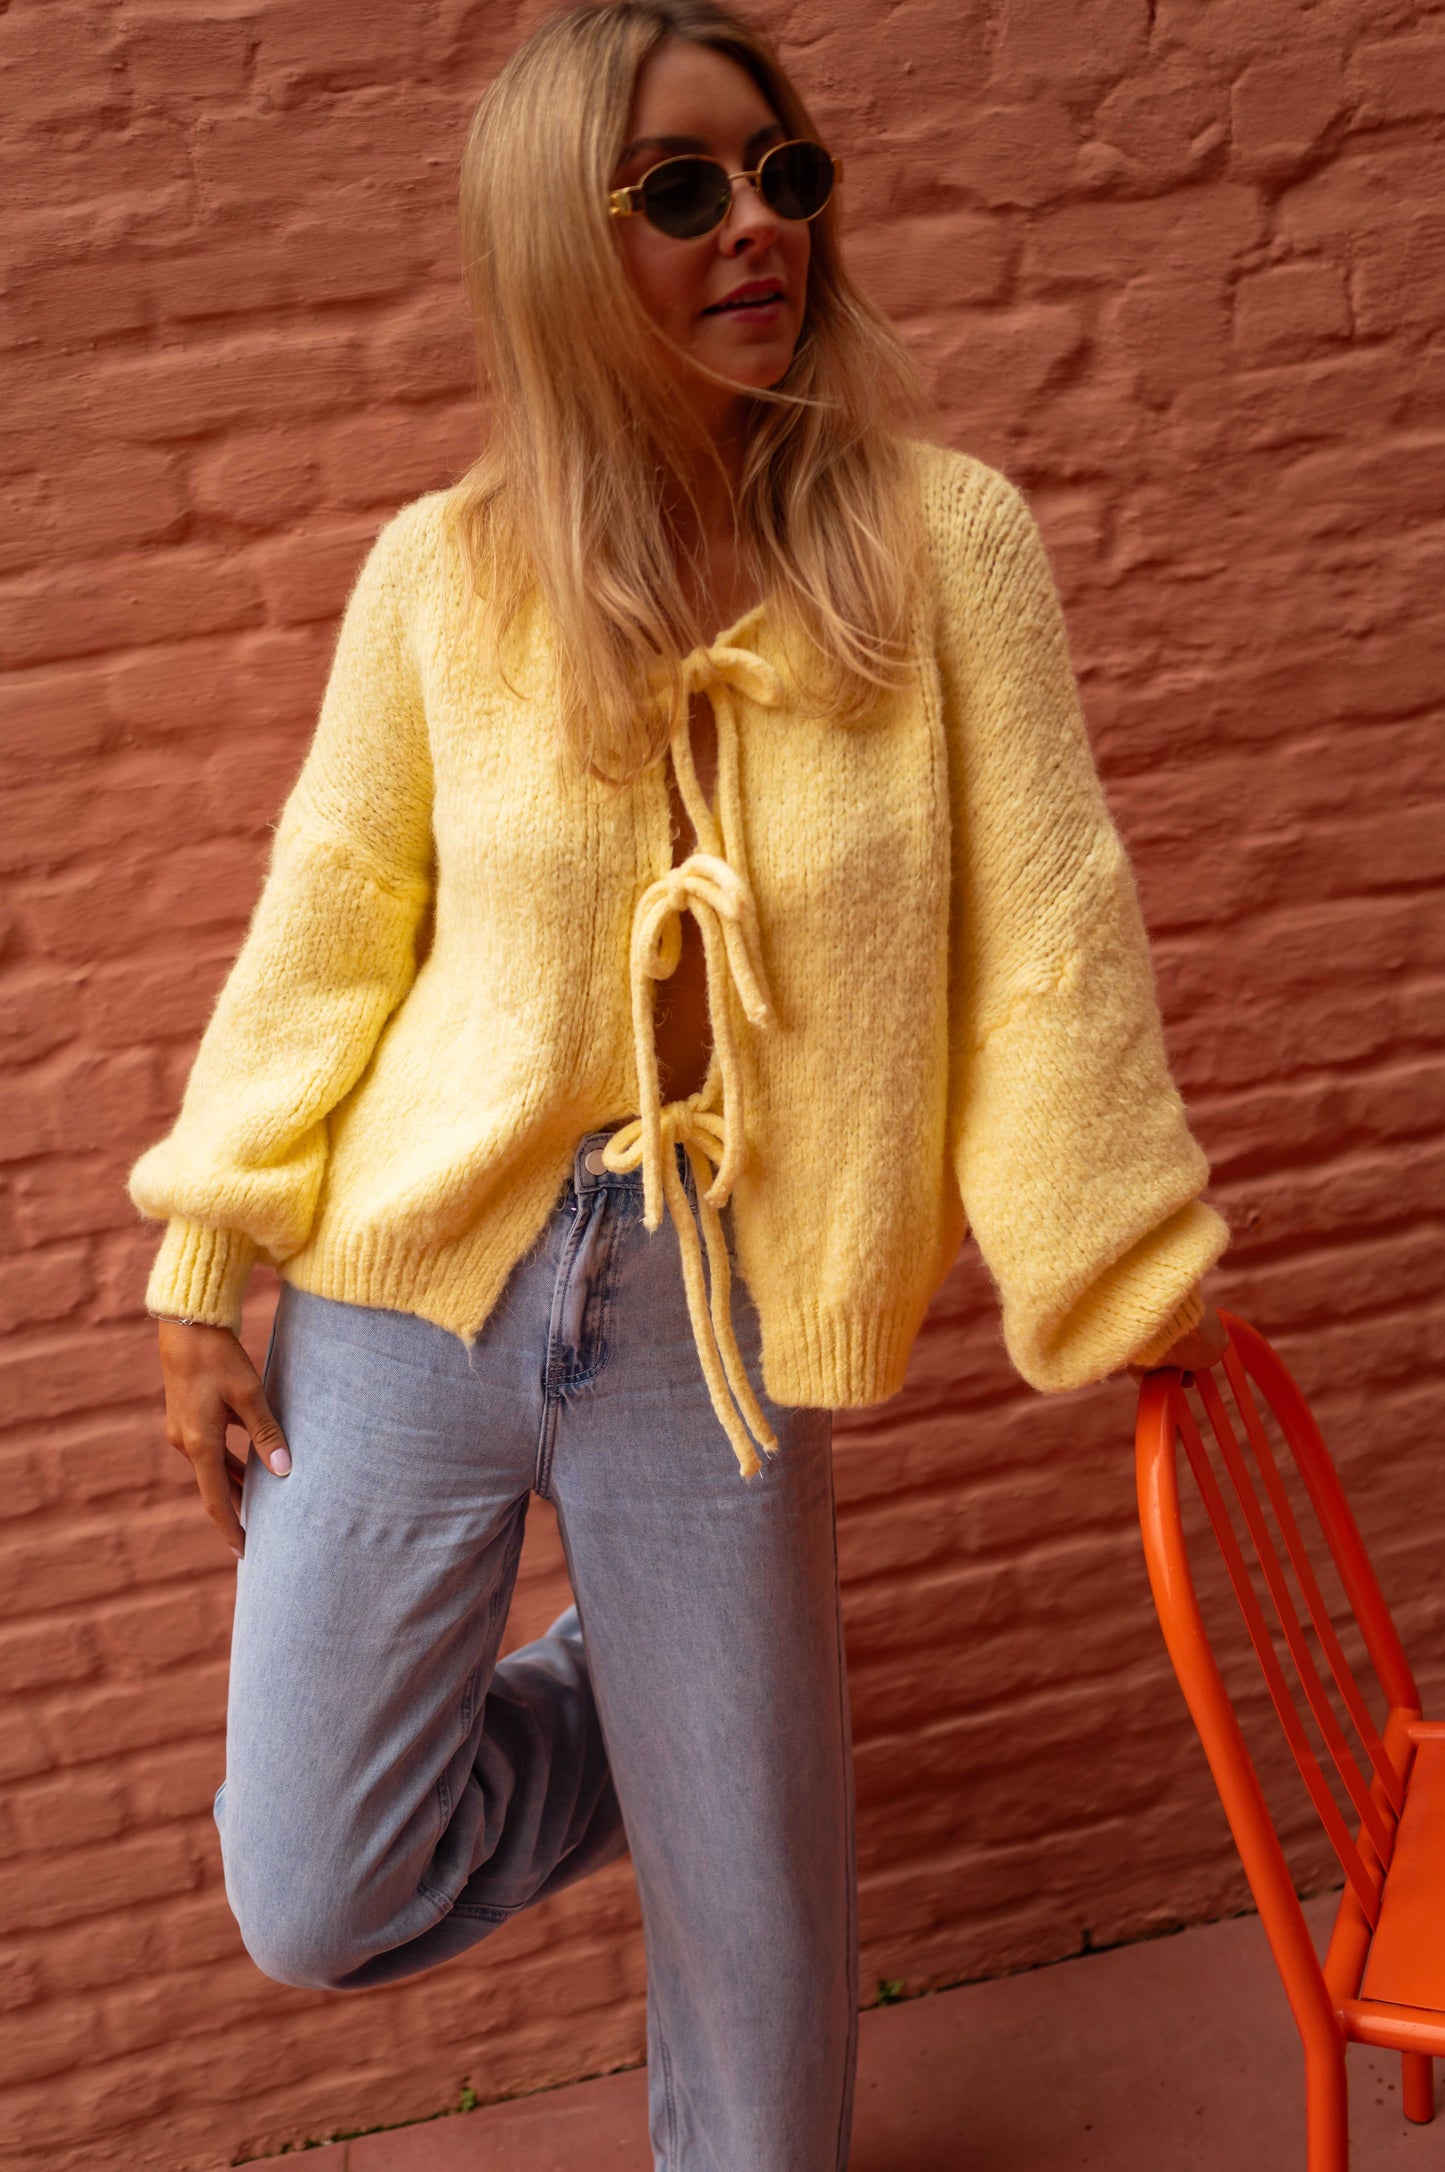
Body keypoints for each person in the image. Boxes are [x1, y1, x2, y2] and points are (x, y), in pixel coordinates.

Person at [126, 4, 1230, 2166]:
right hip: (412, 1288)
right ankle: (666, 1709)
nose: (760, 227)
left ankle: (721, 1737)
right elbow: (332, 913)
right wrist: (202, 1257)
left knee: (762, 1980)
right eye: (683, 190)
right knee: (315, 1888)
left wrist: (1126, 1263)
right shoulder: (442, 576)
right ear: (559, 243)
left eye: (785, 174)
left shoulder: (947, 544)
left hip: (712, 1319)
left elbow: (1048, 935)